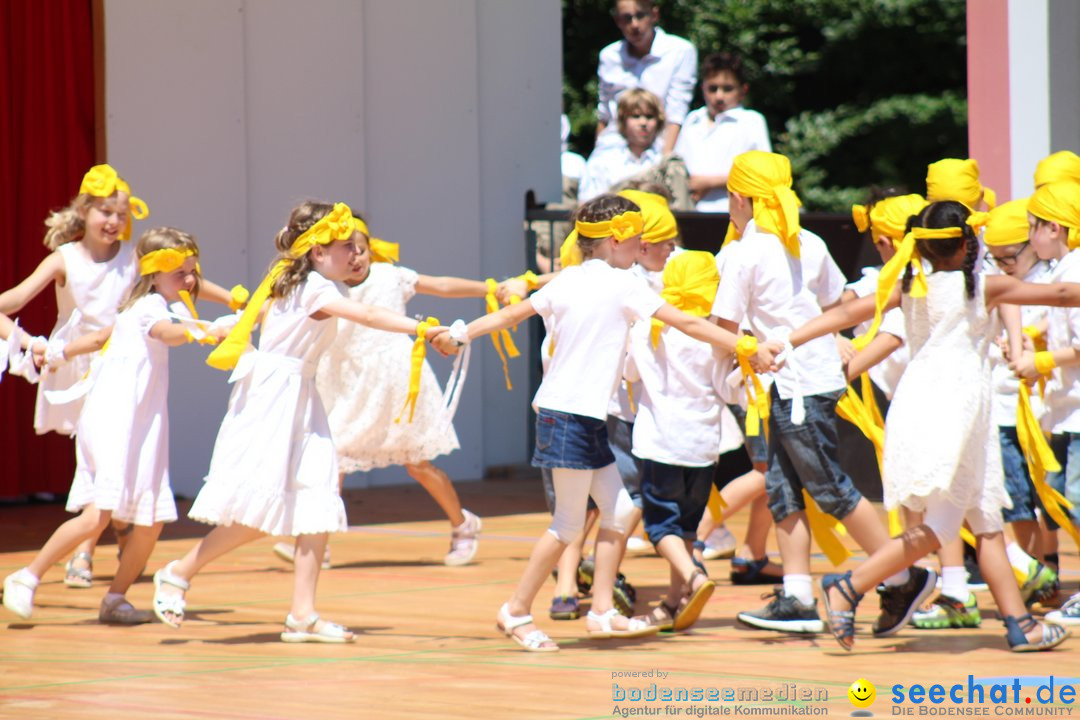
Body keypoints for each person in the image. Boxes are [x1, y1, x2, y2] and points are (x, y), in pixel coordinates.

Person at [433, 194, 779, 651]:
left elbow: (512, 314)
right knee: (566, 525)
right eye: (639, 237)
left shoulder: (573, 280)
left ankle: (600, 611)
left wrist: (461, 333)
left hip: (579, 419)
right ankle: (515, 611)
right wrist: (747, 347)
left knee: (620, 511)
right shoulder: (625, 286)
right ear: (616, 240)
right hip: (569, 418)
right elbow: (689, 324)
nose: (645, 244)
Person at [150, 201, 446, 642]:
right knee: (259, 511)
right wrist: (421, 329)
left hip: (299, 393)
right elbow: (365, 315)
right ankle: (178, 571)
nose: (355, 254)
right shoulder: (313, 288)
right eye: (345, 246)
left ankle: (302, 615)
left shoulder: (298, 282)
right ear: (318, 252)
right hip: (276, 396)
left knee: (317, 496)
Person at [790, 200, 1072, 652]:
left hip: (927, 404)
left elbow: (846, 315)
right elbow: (1061, 295)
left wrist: (785, 339)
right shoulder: (984, 287)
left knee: (986, 523)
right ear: (967, 243)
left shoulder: (911, 287)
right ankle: (849, 584)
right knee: (943, 526)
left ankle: (1021, 625)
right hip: (955, 409)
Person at [711, 151, 931, 637]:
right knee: (783, 489)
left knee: (829, 488)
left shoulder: (747, 252)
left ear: (741, 197)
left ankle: (900, 575)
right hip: (803, 382)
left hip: (794, 386)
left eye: (731, 193)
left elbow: (724, 328)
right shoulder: (807, 242)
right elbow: (838, 306)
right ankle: (796, 595)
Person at [2, 227, 224, 624]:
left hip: (142, 424)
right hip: (112, 421)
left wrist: (57, 352)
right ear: (154, 274)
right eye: (181, 273)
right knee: (97, 514)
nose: (190, 281)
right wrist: (200, 330)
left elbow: (98, 338)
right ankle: (27, 576)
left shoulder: (134, 309)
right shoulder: (150, 310)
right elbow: (166, 334)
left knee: (151, 520)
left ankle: (116, 598)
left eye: (194, 272)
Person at [274, 215, 487, 568]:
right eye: (348, 250)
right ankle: (317, 543)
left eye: (361, 250)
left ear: (372, 250)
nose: (356, 258)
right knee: (332, 461)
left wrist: (490, 288)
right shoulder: (330, 288)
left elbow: (444, 285)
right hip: (346, 381)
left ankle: (463, 524)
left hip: (395, 381)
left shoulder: (392, 277)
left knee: (416, 463)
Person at [626, 250, 725, 631]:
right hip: (703, 446)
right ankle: (672, 602)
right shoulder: (716, 334)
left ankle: (695, 578)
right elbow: (727, 392)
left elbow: (630, 374)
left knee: (659, 528)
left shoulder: (649, 327)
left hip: (661, 443)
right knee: (685, 528)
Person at [1012, 180, 1080, 627]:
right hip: (1066, 409)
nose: (1030, 236)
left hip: (1077, 408)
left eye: (1034, 227)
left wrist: (1038, 359)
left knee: (1074, 498)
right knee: (1062, 497)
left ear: (1054, 228)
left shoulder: (1073, 271)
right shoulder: (1063, 269)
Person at [674, 52, 771, 212]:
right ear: (703, 88)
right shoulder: (693, 120)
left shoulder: (751, 121)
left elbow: (763, 174)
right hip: (691, 211)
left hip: (734, 214)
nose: (719, 96)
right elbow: (678, 165)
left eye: (727, 89)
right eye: (712, 89)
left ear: (743, 90)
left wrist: (709, 183)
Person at [596, 0, 696, 154]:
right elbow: (604, 115)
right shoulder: (609, 56)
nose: (634, 25)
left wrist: (663, 163)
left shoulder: (680, 51)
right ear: (618, 21)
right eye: (627, 18)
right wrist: (599, 155)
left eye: (640, 16)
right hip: (614, 149)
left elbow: (676, 114)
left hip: (658, 147)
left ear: (654, 14)